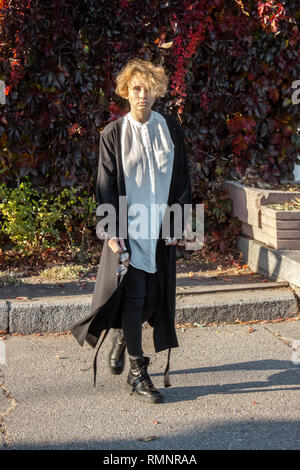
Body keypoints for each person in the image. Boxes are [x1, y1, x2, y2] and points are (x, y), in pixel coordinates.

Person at [71, 58, 191, 404]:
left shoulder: (171, 128)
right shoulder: (113, 134)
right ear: (126, 91)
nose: (142, 95)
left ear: (157, 92)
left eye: (149, 89)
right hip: (130, 229)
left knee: (155, 299)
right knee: (135, 296)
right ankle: (139, 373)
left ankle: (124, 334)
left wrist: (179, 220)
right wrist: (109, 229)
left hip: (159, 230)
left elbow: (182, 178)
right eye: (136, 89)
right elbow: (104, 184)